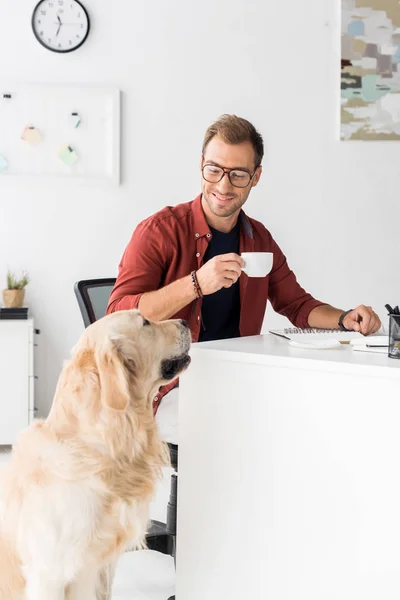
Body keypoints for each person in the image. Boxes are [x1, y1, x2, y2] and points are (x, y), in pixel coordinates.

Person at [107, 114, 381, 440]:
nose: (223, 186)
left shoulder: (259, 240)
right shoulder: (159, 231)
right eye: (214, 170)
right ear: (201, 165)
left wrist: (345, 318)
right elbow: (117, 316)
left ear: (256, 176)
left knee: (308, 420)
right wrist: (195, 284)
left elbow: (296, 304)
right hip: (167, 387)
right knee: (242, 436)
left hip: (234, 377)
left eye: (238, 175)